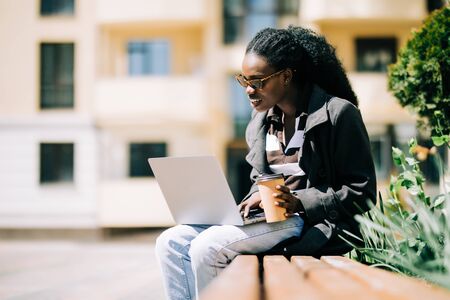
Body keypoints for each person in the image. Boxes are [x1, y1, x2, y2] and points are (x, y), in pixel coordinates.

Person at [155, 26, 376, 300]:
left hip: (308, 223)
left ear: (285, 76)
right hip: (266, 219)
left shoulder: (338, 114)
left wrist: (298, 201)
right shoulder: (260, 122)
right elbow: (259, 181)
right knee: (170, 242)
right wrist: (253, 198)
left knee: (207, 248)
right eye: (243, 80)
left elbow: (362, 193)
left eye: (258, 81)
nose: (249, 90)